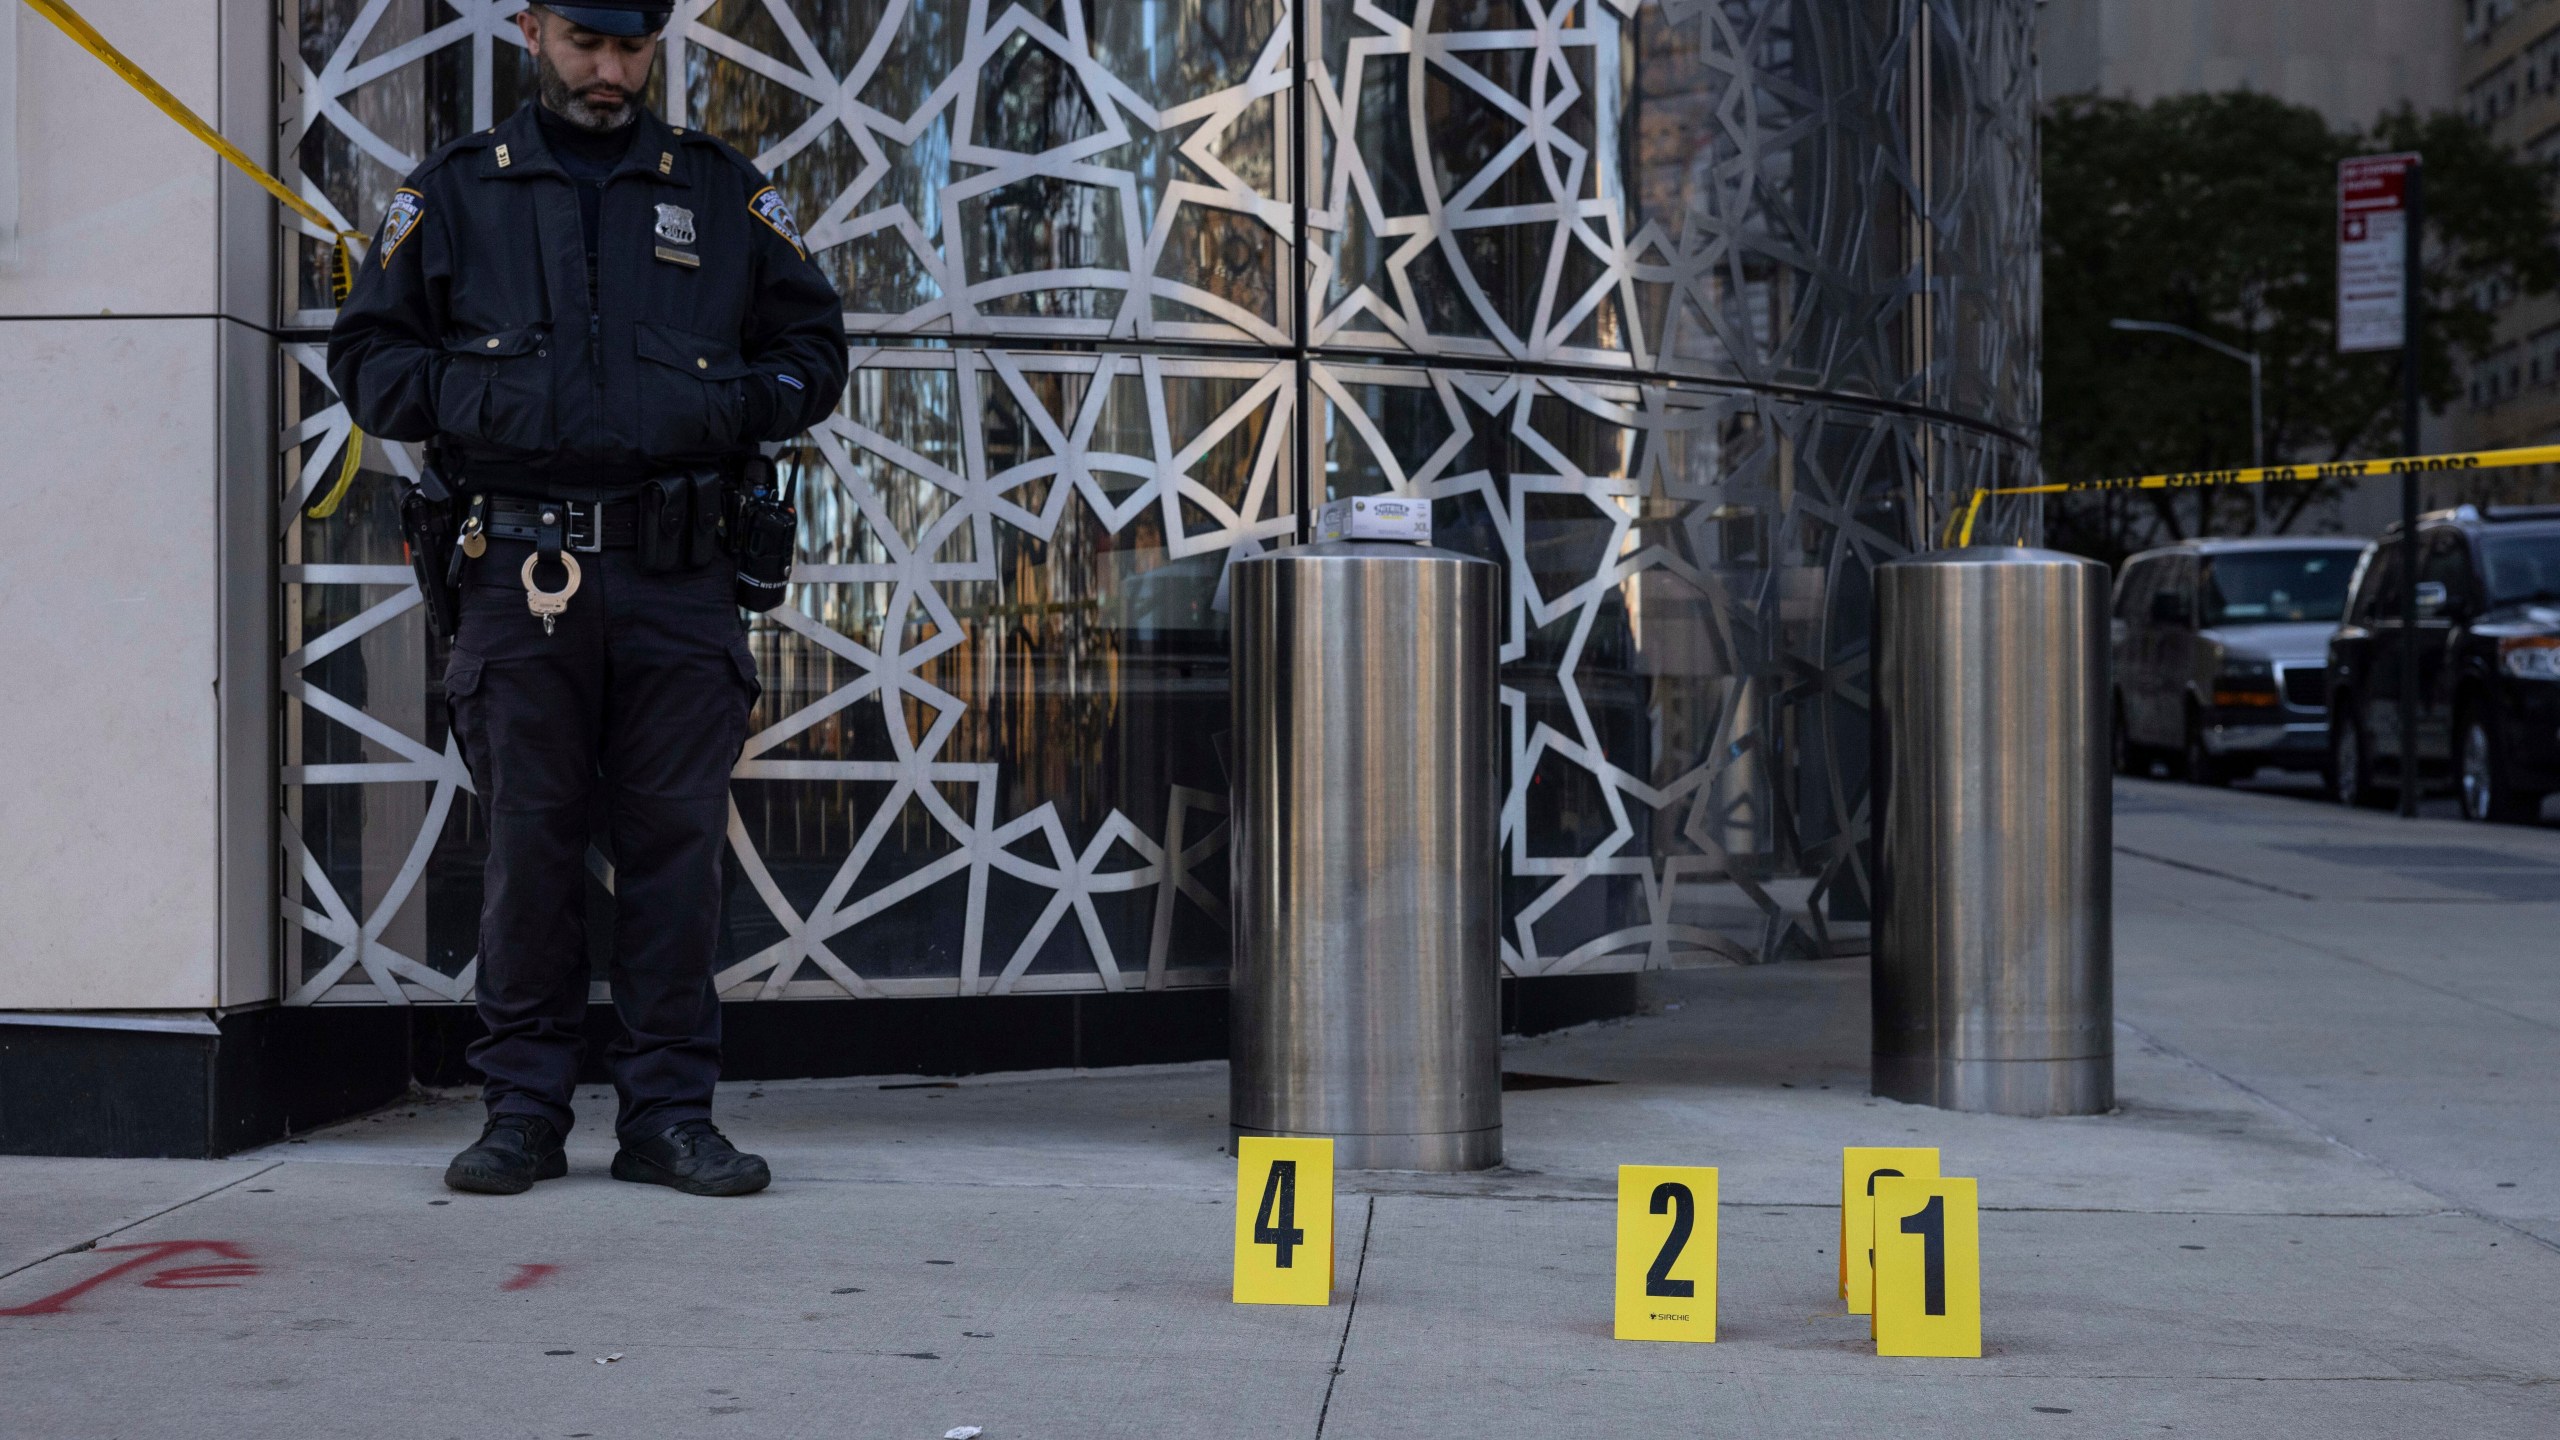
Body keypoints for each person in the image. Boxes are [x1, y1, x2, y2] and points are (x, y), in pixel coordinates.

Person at [328, 1, 849, 1197]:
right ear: (530, 30)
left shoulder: (719, 191)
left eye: (631, 49)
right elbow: (370, 362)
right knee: (530, 848)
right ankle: (521, 1113)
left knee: (674, 852)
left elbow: (813, 348)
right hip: (519, 575)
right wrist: (512, 405)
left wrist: (716, 411)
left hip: (681, 577)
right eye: (585, 45)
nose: (609, 72)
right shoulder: (457, 190)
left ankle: (669, 1117)